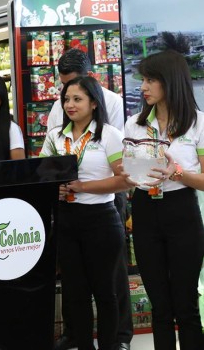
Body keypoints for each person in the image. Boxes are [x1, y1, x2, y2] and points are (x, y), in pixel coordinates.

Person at [49, 48, 133, 350]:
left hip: (101, 217)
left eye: (77, 99)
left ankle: (114, 343)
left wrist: (82, 187)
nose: (69, 104)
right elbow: (44, 171)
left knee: (106, 290)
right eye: (66, 98)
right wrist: (54, 186)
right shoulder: (57, 135)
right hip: (68, 218)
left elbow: (124, 179)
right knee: (75, 291)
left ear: (93, 101)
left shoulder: (109, 134)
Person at [123, 50, 204, 350]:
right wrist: (127, 175)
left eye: (150, 80)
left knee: (186, 306)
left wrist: (177, 173)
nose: (143, 87)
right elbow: (128, 174)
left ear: (170, 82)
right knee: (160, 306)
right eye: (143, 80)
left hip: (182, 211)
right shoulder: (134, 125)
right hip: (145, 211)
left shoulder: (198, 123)